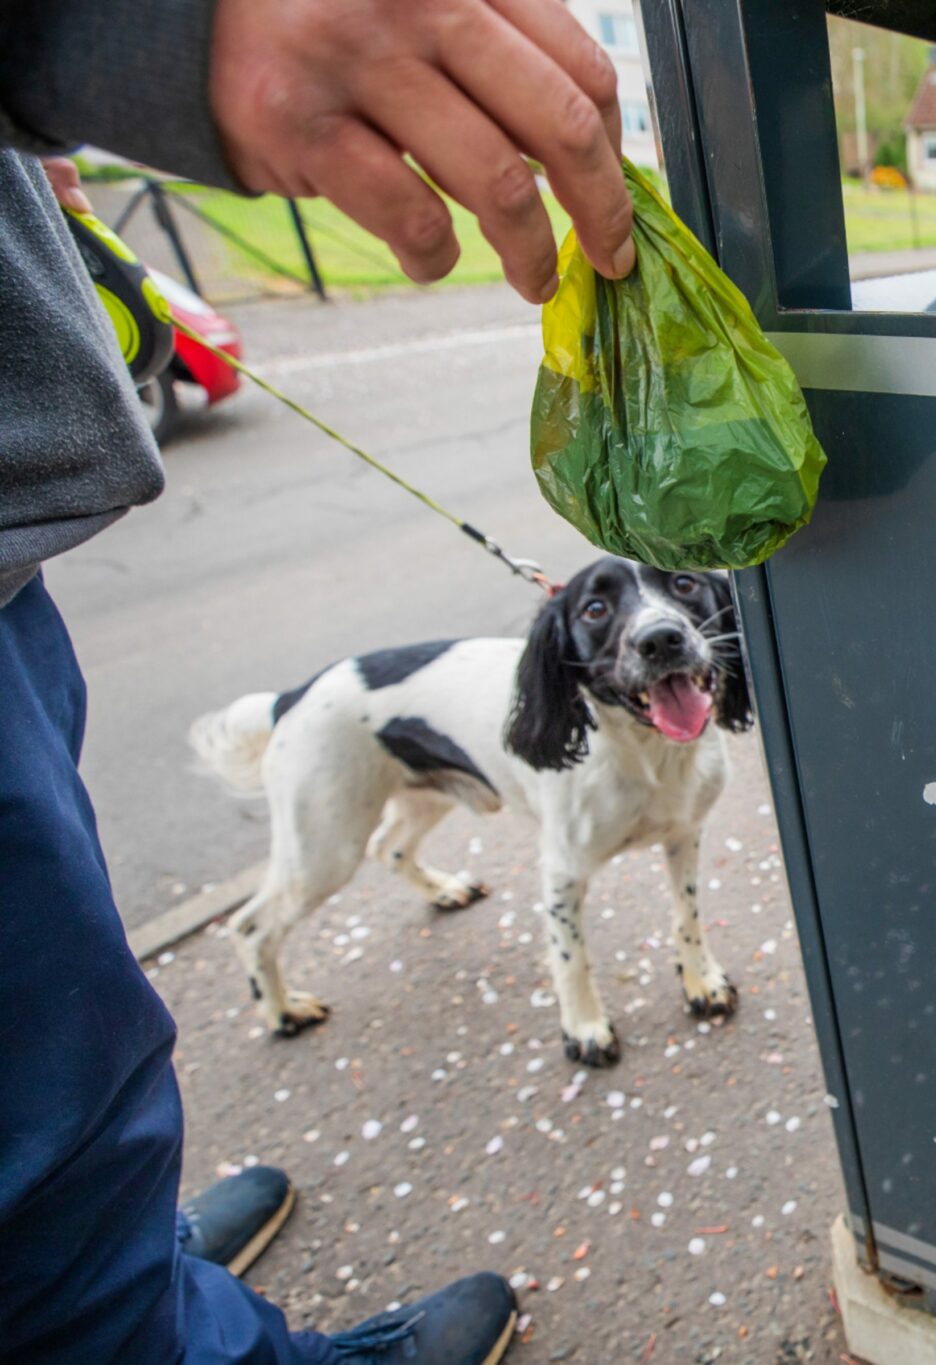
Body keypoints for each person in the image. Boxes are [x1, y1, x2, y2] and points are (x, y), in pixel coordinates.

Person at [0, 0, 640, 1360]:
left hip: (11, 566)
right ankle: (150, 1284)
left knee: (60, 1060)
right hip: (295, 697)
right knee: (41, 1096)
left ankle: (124, 1257)